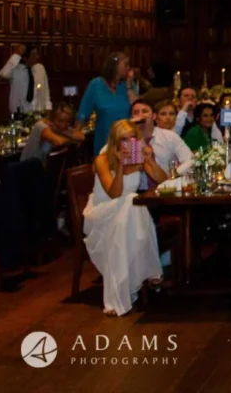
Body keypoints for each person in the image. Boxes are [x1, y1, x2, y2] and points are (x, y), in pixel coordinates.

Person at [83, 119, 163, 315]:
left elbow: (164, 181)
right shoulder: (102, 160)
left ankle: (123, 290)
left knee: (131, 204)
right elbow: (114, 194)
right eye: (123, 139)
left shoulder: (138, 158)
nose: (128, 143)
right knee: (131, 201)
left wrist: (150, 160)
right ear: (115, 141)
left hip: (126, 216)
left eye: (132, 138)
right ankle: (148, 269)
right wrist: (119, 165)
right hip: (102, 212)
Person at [77, 52, 139, 153]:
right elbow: (83, 113)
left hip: (130, 141)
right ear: (115, 66)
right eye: (126, 64)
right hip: (105, 141)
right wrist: (76, 133)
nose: (129, 68)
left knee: (134, 163)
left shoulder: (130, 85)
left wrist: (128, 86)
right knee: (104, 162)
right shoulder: (95, 85)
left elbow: (137, 107)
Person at [124, 98, 192, 186]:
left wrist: (174, 175)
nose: (140, 115)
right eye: (136, 113)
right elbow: (132, 170)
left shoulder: (169, 136)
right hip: (137, 190)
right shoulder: (128, 140)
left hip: (167, 186)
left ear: (154, 116)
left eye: (144, 111)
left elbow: (189, 159)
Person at [20, 102, 85, 165]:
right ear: (53, 118)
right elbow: (58, 142)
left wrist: (59, 131)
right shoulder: (41, 126)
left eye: (68, 122)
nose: (63, 125)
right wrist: (72, 138)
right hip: (28, 168)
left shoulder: (59, 128)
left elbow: (82, 137)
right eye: (60, 121)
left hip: (43, 167)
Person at [0, 44, 52, 116]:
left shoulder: (40, 68)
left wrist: (48, 107)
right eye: (33, 55)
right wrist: (17, 55)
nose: (37, 57)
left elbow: (46, 90)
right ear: (25, 58)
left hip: (38, 112)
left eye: (37, 54)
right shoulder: (15, 70)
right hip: (20, 113)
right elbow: (3, 74)